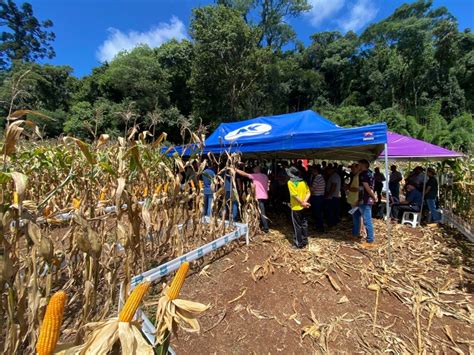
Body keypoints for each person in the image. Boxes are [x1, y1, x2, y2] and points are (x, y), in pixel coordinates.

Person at [234, 165, 270, 233]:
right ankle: (261, 225)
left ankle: (266, 228)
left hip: (259, 197)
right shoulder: (265, 176)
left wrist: (235, 169)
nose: (253, 169)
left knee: (262, 212)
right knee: (262, 211)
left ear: (257, 170)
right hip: (265, 196)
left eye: (254, 169)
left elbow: (244, 174)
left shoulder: (255, 176)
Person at [352, 159, 377, 248]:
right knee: (356, 215)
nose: (358, 166)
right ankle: (355, 234)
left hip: (365, 200)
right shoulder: (370, 173)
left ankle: (370, 241)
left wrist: (374, 196)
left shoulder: (363, 174)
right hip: (363, 199)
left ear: (363, 165)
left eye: (359, 164)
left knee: (367, 220)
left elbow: (366, 188)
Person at [287, 167, 310, 249]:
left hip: (296, 207)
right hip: (304, 207)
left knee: (297, 226)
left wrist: (302, 203)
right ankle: (305, 241)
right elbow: (308, 193)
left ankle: (298, 243)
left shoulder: (290, 182)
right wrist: (304, 202)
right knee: (304, 224)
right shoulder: (303, 182)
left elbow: (294, 195)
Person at [309, 166, 325, 232]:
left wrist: (307, 188)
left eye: (312, 171)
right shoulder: (320, 177)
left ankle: (320, 227)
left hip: (317, 197)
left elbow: (312, 189)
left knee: (317, 213)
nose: (311, 172)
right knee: (318, 212)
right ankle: (319, 226)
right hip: (319, 197)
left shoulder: (317, 178)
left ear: (316, 171)